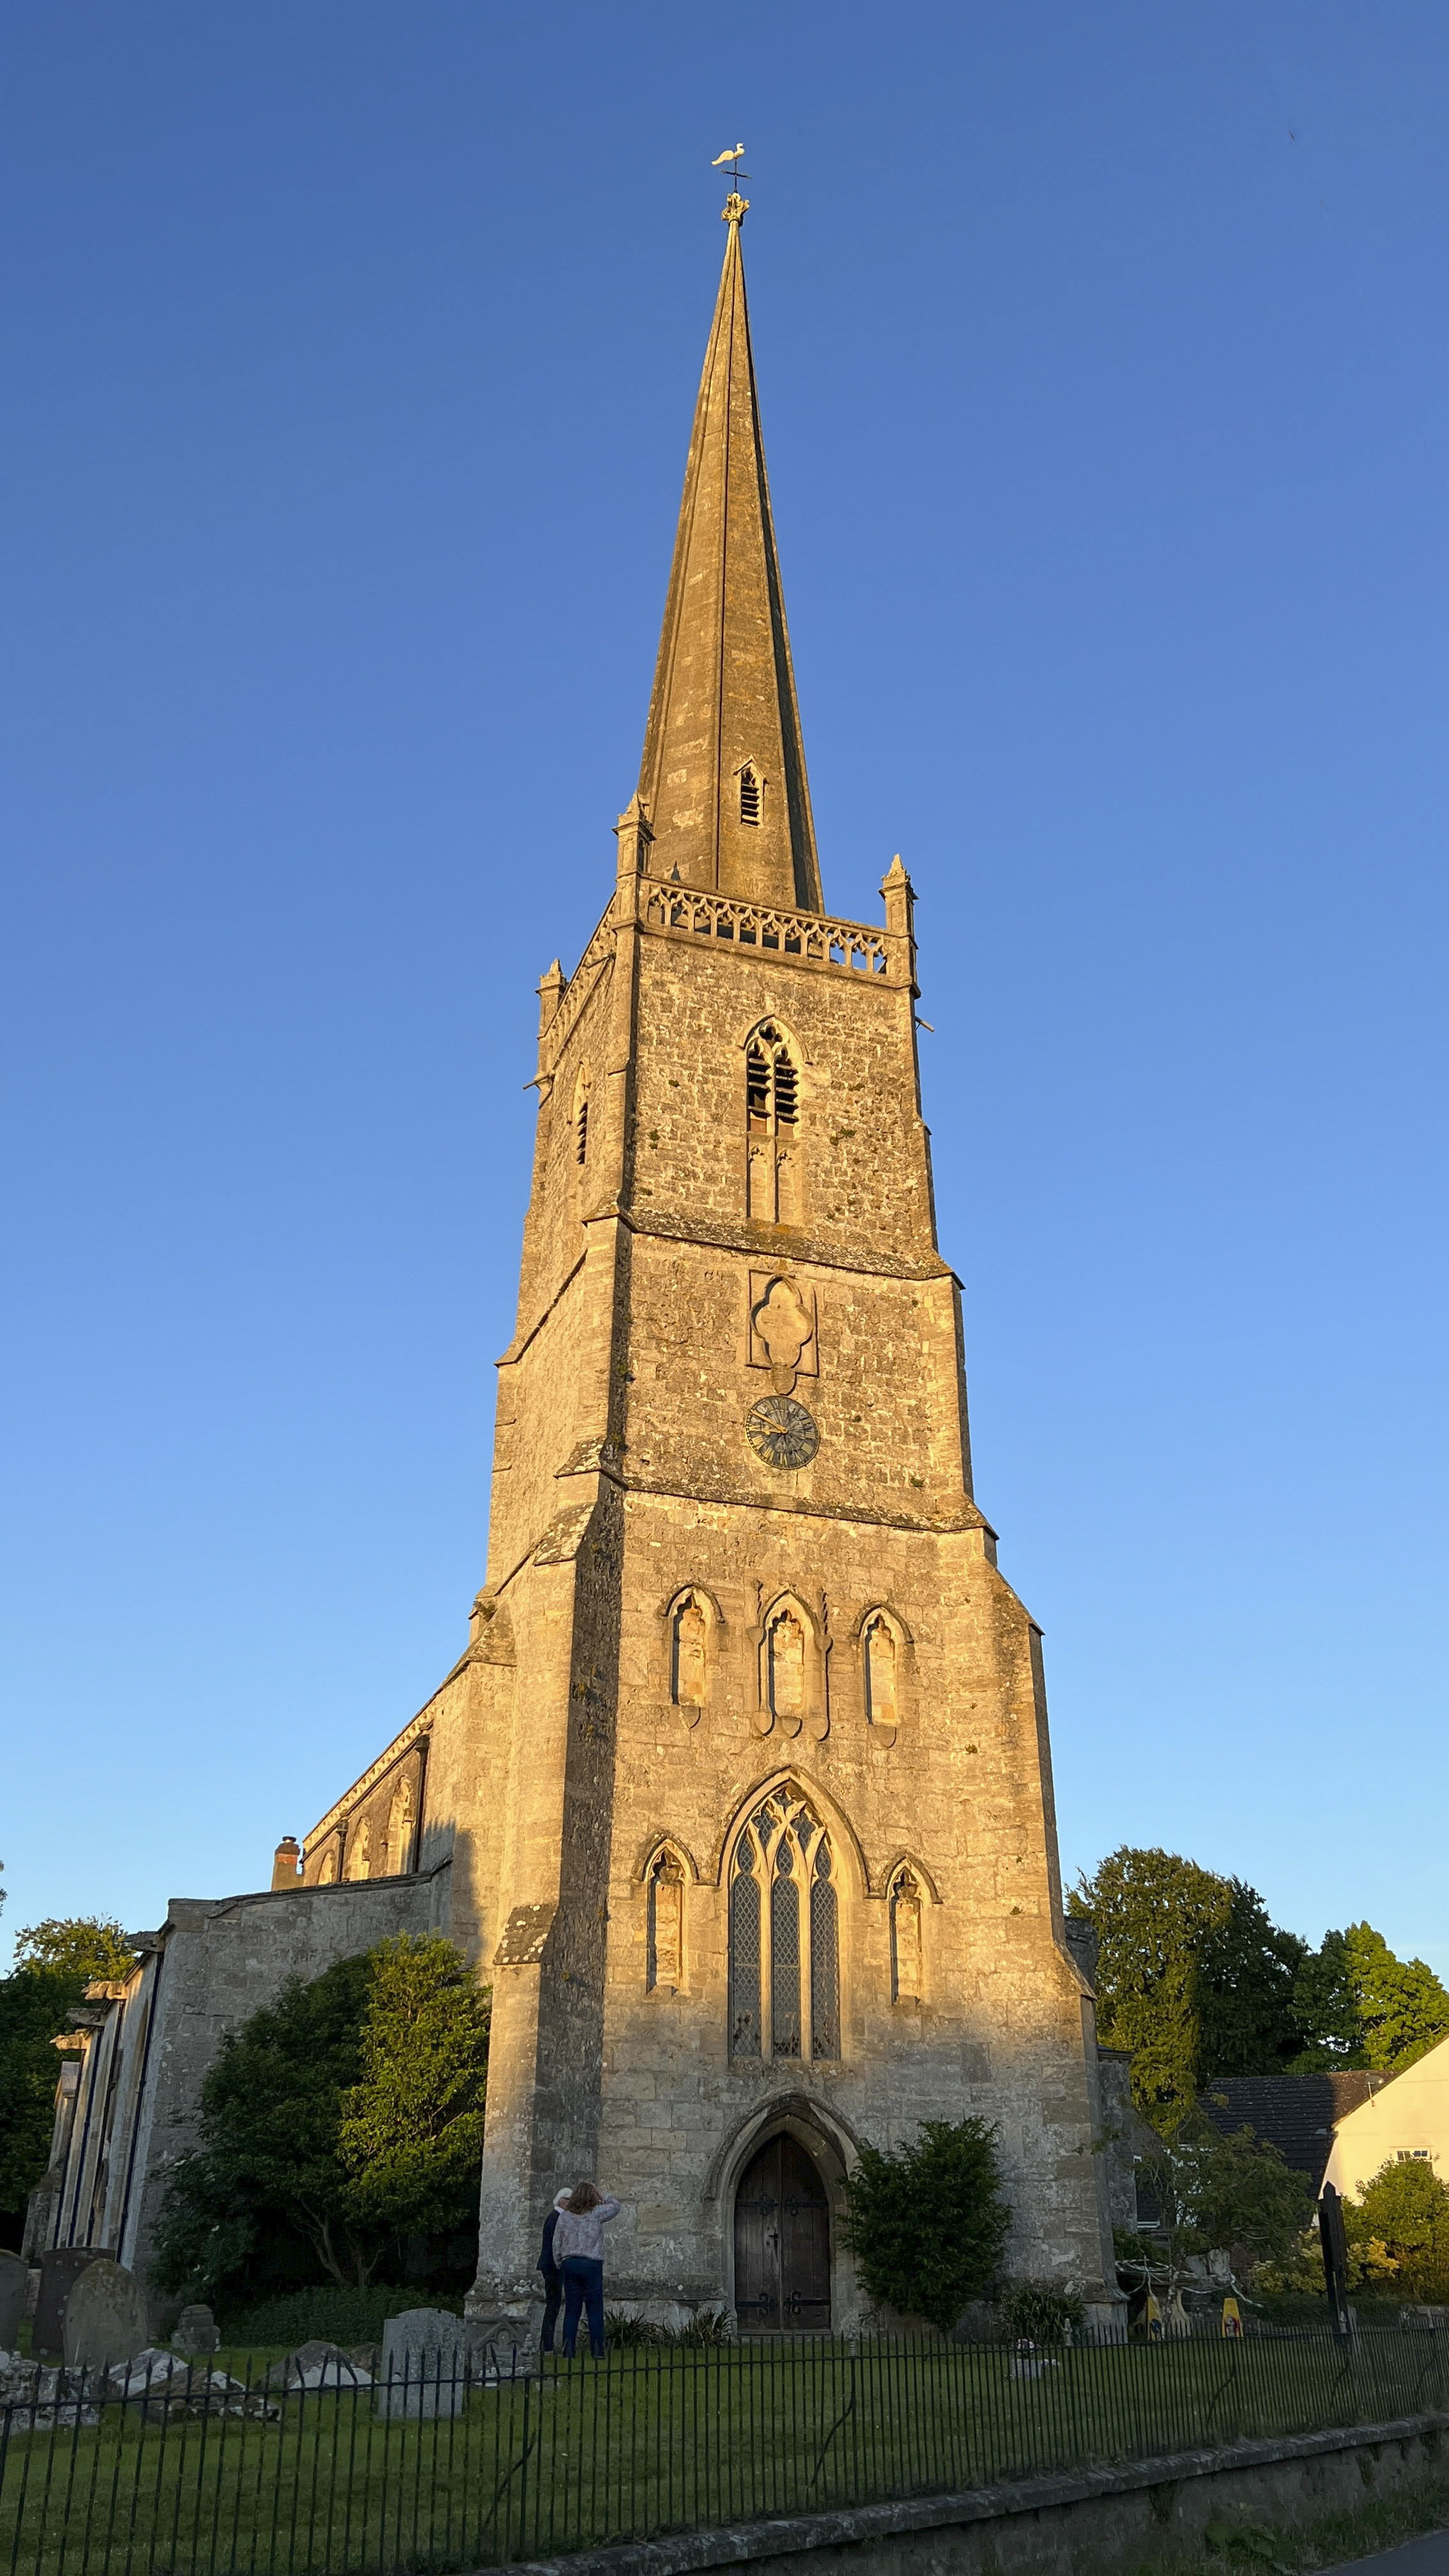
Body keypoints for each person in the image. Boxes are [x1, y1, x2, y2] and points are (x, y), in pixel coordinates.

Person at [551, 2180, 622, 2359]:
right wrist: (601, 2194)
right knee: (595, 2308)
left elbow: (556, 2242)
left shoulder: (565, 2216)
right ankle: (597, 2351)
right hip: (591, 2264)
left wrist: (560, 2262)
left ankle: (568, 2351)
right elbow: (616, 2206)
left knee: (572, 2308)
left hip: (571, 2263)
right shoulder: (596, 2213)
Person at [538, 2190, 571, 2354]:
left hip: (551, 2266)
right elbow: (556, 2245)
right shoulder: (556, 2218)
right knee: (552, 2306)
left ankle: (547, 2345)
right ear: (561, 2201)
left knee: (554, 2305)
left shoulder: (556, 2217)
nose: (570, 2203)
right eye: (567, 2200)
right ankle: (547, 2346)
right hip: (553, 2267)